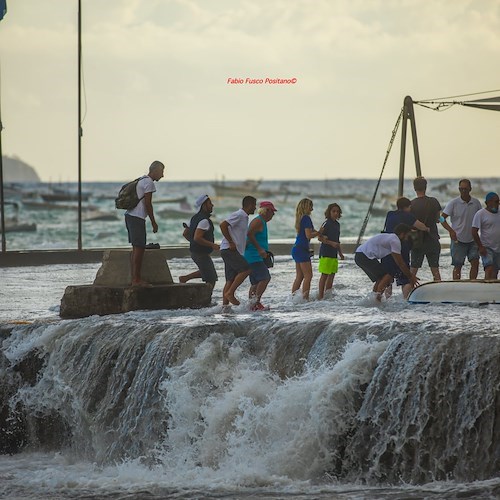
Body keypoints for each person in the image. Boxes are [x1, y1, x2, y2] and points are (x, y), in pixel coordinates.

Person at [124, 160, 165, 286]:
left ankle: (135, 278)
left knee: (137, 248)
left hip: (130, 216)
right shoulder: (149, 183)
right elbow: (148, 204)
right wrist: (153, 222)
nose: (162, 175)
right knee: (139, 248)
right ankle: (136, 279)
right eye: (161, 172)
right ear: (156, 170)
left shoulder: (141, 179)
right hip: (137, 218)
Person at [355, 223, 418, 301]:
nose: (406, 239)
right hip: (364, 255)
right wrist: (411, 277)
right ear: (402, 234)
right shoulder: (395, 240)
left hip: (360, 254)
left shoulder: (391, 238)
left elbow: (398, 262)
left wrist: (409, 275)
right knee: (387, 276)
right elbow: (400, 263)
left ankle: (373, 299)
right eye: (406, 236)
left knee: (380, 278)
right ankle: (377, 300)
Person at [381, 197, 429, 298]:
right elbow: (421, 226)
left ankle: (387, 300)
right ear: (406, 207)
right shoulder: (408, 216)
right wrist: (427, 228)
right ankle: (405, 300)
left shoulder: (389, 214)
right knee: (405, 279)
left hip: (386, 249)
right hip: (401, 249)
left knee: (387, 278)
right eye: (409, 207)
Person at [441, 179, 482, 280]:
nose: (463, 191)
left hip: (473, 239)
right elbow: (441, 218)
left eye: (465, 189)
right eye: (461, 189)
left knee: (475, 262)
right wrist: (450, 230)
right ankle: (456, 286)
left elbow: (482, 218)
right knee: (458, 265)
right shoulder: (453, 203)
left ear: (470, 189)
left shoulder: (476, 203)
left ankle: (472, 283)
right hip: (458, 240)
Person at [219, 196, 257, 306]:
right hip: (229, 249)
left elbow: (238, 234)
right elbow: (223, 225)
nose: (255, 208)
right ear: (249, 205)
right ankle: (230, 293)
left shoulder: (244, 217)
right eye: (254, 205)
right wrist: (231, 242)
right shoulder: (240, 214)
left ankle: (225, 308)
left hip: (230, 250)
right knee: (246, 270)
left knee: (230, 280)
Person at [179, 194, 219, 287]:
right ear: (203, 205)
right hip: (200, 254)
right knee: (211, 279)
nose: (212, 205)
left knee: (206, 271)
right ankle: (206, 298)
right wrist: (212, 245)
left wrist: (194, 243)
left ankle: (184, 278)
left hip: (195, 253)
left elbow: (185, 233)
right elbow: (197, 237)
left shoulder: (194, 218)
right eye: (210, 203)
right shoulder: (204, 220)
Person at [244, 201, 277, 311]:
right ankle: (255, 303)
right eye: (272, 212)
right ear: (267, 211)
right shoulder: (258, 221)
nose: (273, 215)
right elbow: (248, 234)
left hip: (255, 256)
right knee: (265, 278)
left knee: (255, 282)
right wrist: (259, 249)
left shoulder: (261, 221)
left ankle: (251, 305)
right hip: (254, 256)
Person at [410, 176, 442, 281]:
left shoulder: (412, 204)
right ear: (426, 187)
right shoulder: (434, 201)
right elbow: (439, 219)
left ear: (414, 188)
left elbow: (410, 223)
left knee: (413, 272)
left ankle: (408, 295)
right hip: (432, 239)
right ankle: (439, 294)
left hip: (417, 242)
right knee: (435, 271)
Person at [291, 198, 320, 300]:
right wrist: (319, 232)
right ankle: (305, 299)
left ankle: (293, 298)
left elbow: (312, 231)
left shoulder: (300, 218)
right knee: (308, 276)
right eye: (311, 206)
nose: (312, 209)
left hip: (296, 248)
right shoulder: (306, 218)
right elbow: (309, 235)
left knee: (299, 276)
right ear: (306, 207)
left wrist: (319, 233)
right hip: (302, 249)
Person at [317, 203, 344, 300]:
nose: (336, 213)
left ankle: (327, 296)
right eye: (333, 211)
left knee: (332, 275)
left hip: (334, 253)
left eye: (337, 211)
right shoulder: (326, 223)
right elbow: (319, 237)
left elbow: (337, 241)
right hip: (326, 252)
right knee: (324, 275)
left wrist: (340, 253)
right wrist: (330, 243)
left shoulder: (337, 224)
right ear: (329, 212)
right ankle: (320, 297)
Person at [472, 192, 500, 280]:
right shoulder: (480, 214)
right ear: (487, 203)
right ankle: (486, 285)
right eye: (495, 202)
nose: (497, 204)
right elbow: (474, 231)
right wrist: (480, 247)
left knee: (495, 270)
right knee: (489, 267)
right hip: (486, 247)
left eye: (498, 202)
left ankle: (492, 290)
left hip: (498, 247)